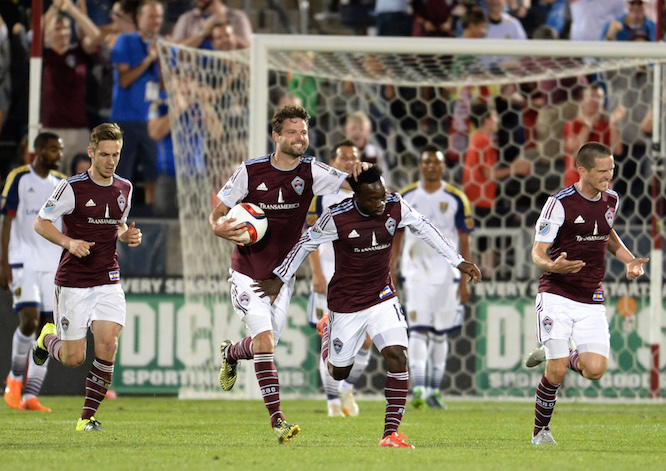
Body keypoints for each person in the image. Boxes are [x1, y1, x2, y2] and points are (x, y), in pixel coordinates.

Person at [255, 166, 482, 448]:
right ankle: (328, 330)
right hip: (346, 304)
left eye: (382, 195)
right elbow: (304, 244)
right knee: (339, 372)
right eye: (373, 199)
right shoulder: (336, 217)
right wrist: (279, 278)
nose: (380, 203)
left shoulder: (395, 205)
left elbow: (425, 228)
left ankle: (390, 434)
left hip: (382, 297)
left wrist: (458, 261)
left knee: (398, 356)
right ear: (357, 198)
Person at [209, 105, 366, 444]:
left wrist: (362, 172)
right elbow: (217, 214)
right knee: (266, 343)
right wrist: (221, 229)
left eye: (304, 132)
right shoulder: (249, 172)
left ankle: (231, 353)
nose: (300, 138)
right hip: (247, 274)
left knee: (265, 345)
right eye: (292, 132)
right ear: (276, 136)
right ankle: (278, 421)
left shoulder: (312, 171)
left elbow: (354, 185)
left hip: (282, 278)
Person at [525, 142, 648, 445]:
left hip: (591, 295)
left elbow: (608, 232)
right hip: (556, 293)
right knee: (555, 371)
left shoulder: (611, 199)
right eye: (603, 171)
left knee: (595, 369)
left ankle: (563, 354)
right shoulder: (559, 203)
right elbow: (537, 252)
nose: (609, 176)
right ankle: (541, 432)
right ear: (582, 170)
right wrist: (553, 264)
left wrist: (629, 260)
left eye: (612, 170)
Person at [32, 123, 143, 432]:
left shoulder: (125, 188)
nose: (110, 161)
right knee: (73, 358)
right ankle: (46, 339)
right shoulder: (72, 187)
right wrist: (69, 242)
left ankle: (86, 418)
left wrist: (127, 235)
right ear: (91, 152)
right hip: (73, 282)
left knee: (108, 344)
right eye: (104, 154)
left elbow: (118, 225)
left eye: (116, 155)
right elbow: (41, 223)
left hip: (108, 278)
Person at [392, 145, 474, 410]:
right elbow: (398, 236)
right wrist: (390, 269)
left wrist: (464, 280)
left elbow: (464, 239)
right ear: (420, 165)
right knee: (417, 330)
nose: (430, 166)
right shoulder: (405, 196)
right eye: (426, 162)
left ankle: (434, 391)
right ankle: (417, 389)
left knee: (440, 334)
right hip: (415, 273)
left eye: (435, 162)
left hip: (446, 276)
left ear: (442, 167)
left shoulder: (456, 198)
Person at [305, 140, 371, 417]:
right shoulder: (320, 195)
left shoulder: (367, 194)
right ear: (332, 163)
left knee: (367, 340)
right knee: (330, 340)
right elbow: (307, 236)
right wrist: (316, 272)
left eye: (353, 158)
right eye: (343, 157)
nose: (348, 162)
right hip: (329, 277)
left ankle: (346, 386)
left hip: (360, 278)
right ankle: (332, 402)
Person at [1, 132, 66, 412]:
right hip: (22, 261)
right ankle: (14, 379)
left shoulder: (62, 184)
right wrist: (3, 262)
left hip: (52, 266)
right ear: (38, 150)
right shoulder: (19, 177)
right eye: (53, 149)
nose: (58, 154)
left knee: (48, 330)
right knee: (28, 321)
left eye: (59, 150)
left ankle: (31, 395)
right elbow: (7, 220)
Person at [110, 0, 164, 211]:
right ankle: (115, 213)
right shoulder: (125, 41)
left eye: (159, 17)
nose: (156, 21)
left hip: (152, 120)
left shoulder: (164, 45)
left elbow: (166, 85)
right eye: (151, 16)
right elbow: (124, 80)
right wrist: (148, 59)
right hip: (125, 118)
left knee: (154, 169)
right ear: (139, 18)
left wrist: (161, 60)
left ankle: (152, 212)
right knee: (121, 170)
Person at [41, 0, 102, 175]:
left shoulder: (78, 53)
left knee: (81, 180)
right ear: (50, 33)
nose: (63, 33)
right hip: (51, 127)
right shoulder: (44, 54)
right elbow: (37, 30)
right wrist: (54, 7)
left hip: (78, 129)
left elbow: (96, 36)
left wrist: (71, 9)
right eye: (58, 28)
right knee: (50, 180)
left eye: (66, 28)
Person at [562, 84, 625, 187]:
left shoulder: (606, 125)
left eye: (599, 97)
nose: (595, 101)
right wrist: (586, 127)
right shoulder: (573, 124)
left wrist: (612, 124)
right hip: (577, 183)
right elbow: (575, 153)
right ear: (581, 100)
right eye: (591, 96)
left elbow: (617, 150)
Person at [172, 0, 251, 50]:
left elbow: (250, 47)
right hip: (195, 73)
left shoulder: (238, 17)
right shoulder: (186, 19)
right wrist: (202, 32)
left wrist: (227, 35)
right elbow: (175, 50)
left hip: (231, 72)